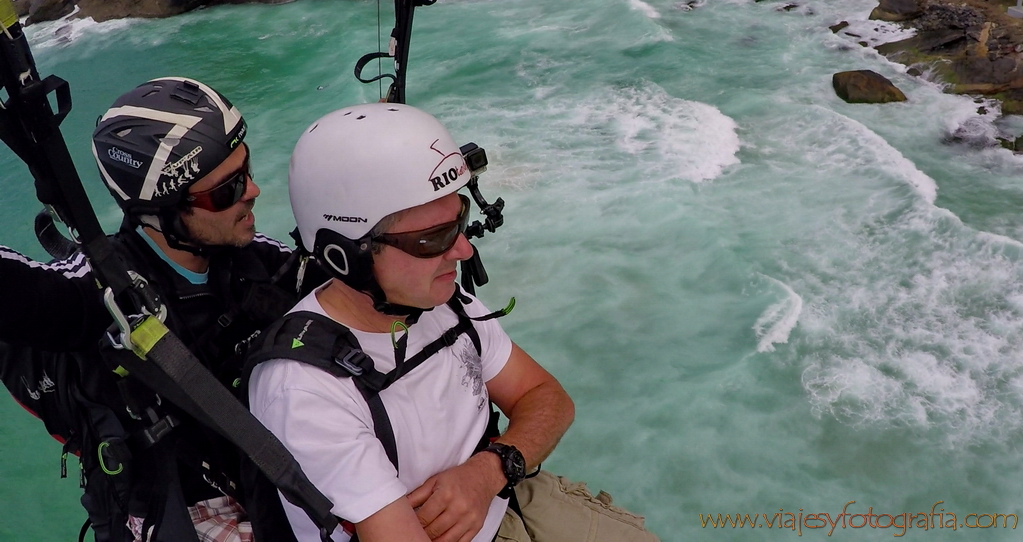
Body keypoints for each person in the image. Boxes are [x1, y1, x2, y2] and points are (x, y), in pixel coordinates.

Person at [247, 103, 659, 542]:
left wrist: (489, 470)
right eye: (434, 238)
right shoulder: (305, 390)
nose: (462, 250)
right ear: (345, 255)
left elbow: (549, 399)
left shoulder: (439, 301)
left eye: (459, 220)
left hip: (503, 496)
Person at [0, 77, 320, 542]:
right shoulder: (100, 297)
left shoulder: (256, 264)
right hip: (175, 512)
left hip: (264, 484)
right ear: (163, 210)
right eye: (225, 191)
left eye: (246, 169)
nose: (254, 191)